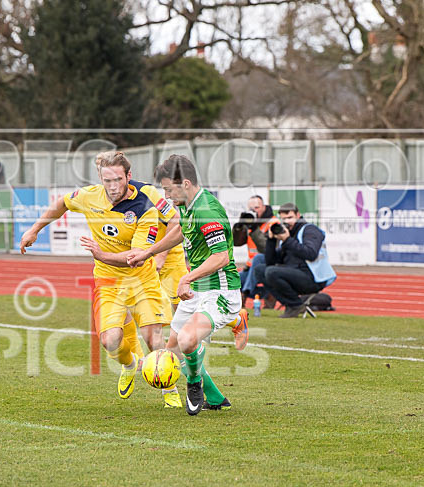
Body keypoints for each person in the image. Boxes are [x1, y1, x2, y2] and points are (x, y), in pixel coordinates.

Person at [19, 151, 178, 407]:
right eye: (107, 181)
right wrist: (34, 229)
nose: (113, 186)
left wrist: (101, 253)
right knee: (110, 341)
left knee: (154, 340)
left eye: (118, 179)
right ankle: (130, 365)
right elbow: (61, 204)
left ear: (129, 176)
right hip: (108, 281)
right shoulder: (88, 196)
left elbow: (135, 257)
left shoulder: (145, 203)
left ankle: (168, 388)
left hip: (141, 278)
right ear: (100, 179)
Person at [128, 154, 249, 416]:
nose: (167, 196)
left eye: (168, 190)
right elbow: (181, 230)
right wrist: (148, 253)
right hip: (197, 289)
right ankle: (216, 399)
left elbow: (221, 257)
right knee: (173, 351)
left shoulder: (207, 209)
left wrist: (186, 277)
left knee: (187, 340)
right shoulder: (186, 204)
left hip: (220, 290)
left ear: (185, 183)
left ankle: (194, 385)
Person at [264, 202, 336, 318]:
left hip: (312, 277)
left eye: (290, 218)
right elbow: (270, 262)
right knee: (260, 270)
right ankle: (293, 305)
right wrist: (271, 240)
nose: (287, 222)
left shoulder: (310, 230)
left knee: (271, 272)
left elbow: (311, 254)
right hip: (294, 273)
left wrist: (287, 240)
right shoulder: (286, 234)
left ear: (298, 215)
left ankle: (295, 305)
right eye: (284, 219)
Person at [234, 195, 277, 308]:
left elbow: (266, 249)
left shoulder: (273, 223)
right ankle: (266, 294)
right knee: (233, 280)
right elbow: (236, 243)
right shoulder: (251, 221)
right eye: (251, 209)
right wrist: (239, 227)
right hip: (250, 268)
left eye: (256, 208)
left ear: (264, 207)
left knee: (257, 260)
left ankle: (246, 294)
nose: (254, 211)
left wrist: (253, 229)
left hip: (268, 265)